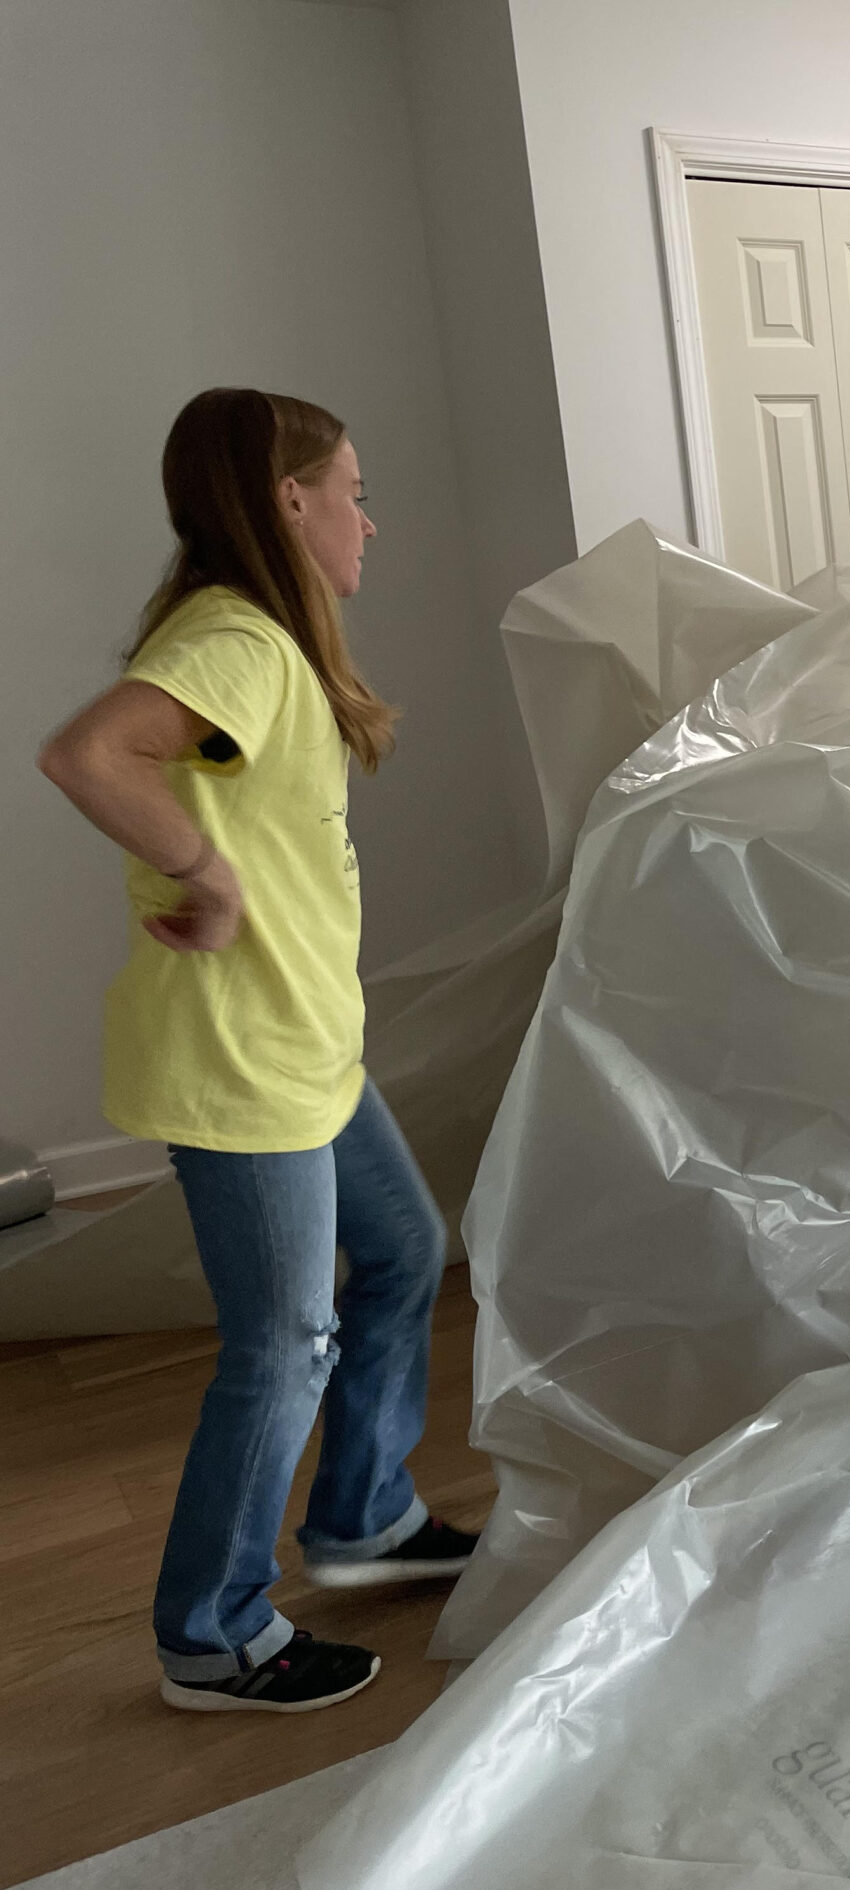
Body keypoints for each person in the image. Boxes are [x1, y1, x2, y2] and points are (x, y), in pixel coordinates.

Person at [38, 389, 476, 1715]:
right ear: (289, 500)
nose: (369, 518)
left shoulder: (264, 643)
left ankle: (360, 1517)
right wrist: (204, 873)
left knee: (402, 1250)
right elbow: (85, 752)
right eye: (352, 487)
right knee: (283, 1341)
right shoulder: (234, 634)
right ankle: (211, 1632)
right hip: (244, 1064)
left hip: (305, 1048)